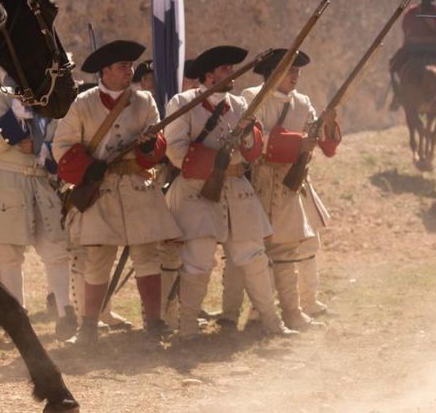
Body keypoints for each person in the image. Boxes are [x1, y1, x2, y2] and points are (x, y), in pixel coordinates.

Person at [163, 45, 296, 339]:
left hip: (236, 186)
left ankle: (273, 323)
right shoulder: (183, 103)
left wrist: (248, 134)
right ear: (209, 75)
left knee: (254, 256)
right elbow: (175, 151)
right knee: (198, 258)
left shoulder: (239, 106)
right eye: (225, 69)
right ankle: (187, 329)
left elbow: (252, 153)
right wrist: (216, 161)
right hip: (197, 188)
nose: (231, 74)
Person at [52, 41, 181, 343]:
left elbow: (157, 143)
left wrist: (149, 145)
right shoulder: (81, 104)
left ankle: (154, 322)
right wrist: (88, 167)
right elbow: (61, 148)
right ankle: (88, 327)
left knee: (147, 256)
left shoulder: (144, 100)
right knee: (97, 261)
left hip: (137, 185)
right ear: (105, 71)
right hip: (101, 189)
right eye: (123, 66)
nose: (129, 71)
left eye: (130, 66)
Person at [226, 49, 340, 330]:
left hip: (289, 184)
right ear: (273, 73)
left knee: (287, 249)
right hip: (259, 181)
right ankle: (249, 313)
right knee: (255, 251)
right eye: (290, 71)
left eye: (298, 71)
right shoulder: (252, 98)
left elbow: (321, 141)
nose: (295, 76)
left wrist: (326, 125)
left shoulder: (302, 102)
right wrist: (297, 141)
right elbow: (251, 141)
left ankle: (292, 311)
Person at [0, 84, 76, 339]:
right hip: (6, 186)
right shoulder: (1, 97)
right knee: (9, 258)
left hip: (40, 182)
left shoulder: (48, 99)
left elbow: (57, 139)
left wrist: (42, 148)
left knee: (56, 250)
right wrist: (18, 113)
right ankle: (18, 320)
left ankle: (66, 314)